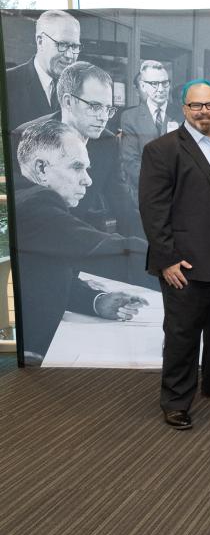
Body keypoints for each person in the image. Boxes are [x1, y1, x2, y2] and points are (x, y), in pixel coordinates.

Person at [139, 79, 210, 431]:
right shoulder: (163, 149)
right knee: (182, 334)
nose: (204, 111)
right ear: (185, 109)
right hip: (185, 262)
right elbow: (152, 209)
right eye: (196, 105)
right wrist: (167, 259)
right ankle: (175, 401)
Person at [15, 119, 149, 363]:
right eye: (77, 167)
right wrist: (180, 262)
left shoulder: (26, 198)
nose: (87, 180)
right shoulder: (36, 205)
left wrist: (97, 301)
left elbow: (42, 278)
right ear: (42, 168)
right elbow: (106, 250)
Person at [14, 61, 139, 239]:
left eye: (108, 109)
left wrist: (152, 253)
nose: (103, 117)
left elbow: (122, 204)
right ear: (68, 101)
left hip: (82, 237)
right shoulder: (22, 136)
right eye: (95, 106)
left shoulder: (108, 142)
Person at [4, 10, 80, 128]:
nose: (69, 55)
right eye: (62, 45)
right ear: (40, 42)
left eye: (75, 46)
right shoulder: (7, 83)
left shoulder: (80, 90)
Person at [120, 61, 182, 203]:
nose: (160, 89)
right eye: (154, 84)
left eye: (165, 83)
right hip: (145, 197)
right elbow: (130, 161)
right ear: (143, 86)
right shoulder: (130, 117)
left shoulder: (183, 115)